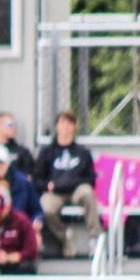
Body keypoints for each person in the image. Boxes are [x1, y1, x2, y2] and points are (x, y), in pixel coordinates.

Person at [34, 110, 100, 258]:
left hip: (76, 191)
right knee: (46, 207)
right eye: (62, 122)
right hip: (55, 192)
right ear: (56, 126)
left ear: (74, 127)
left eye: (69, 123)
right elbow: (37, 179)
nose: (65, 127)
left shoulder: (82, 152)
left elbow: (91, 179)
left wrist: (72, 183)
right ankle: (65, 236)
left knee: (87, 192)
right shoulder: (47, 152)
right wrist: (48, 186)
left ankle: (95, 238)